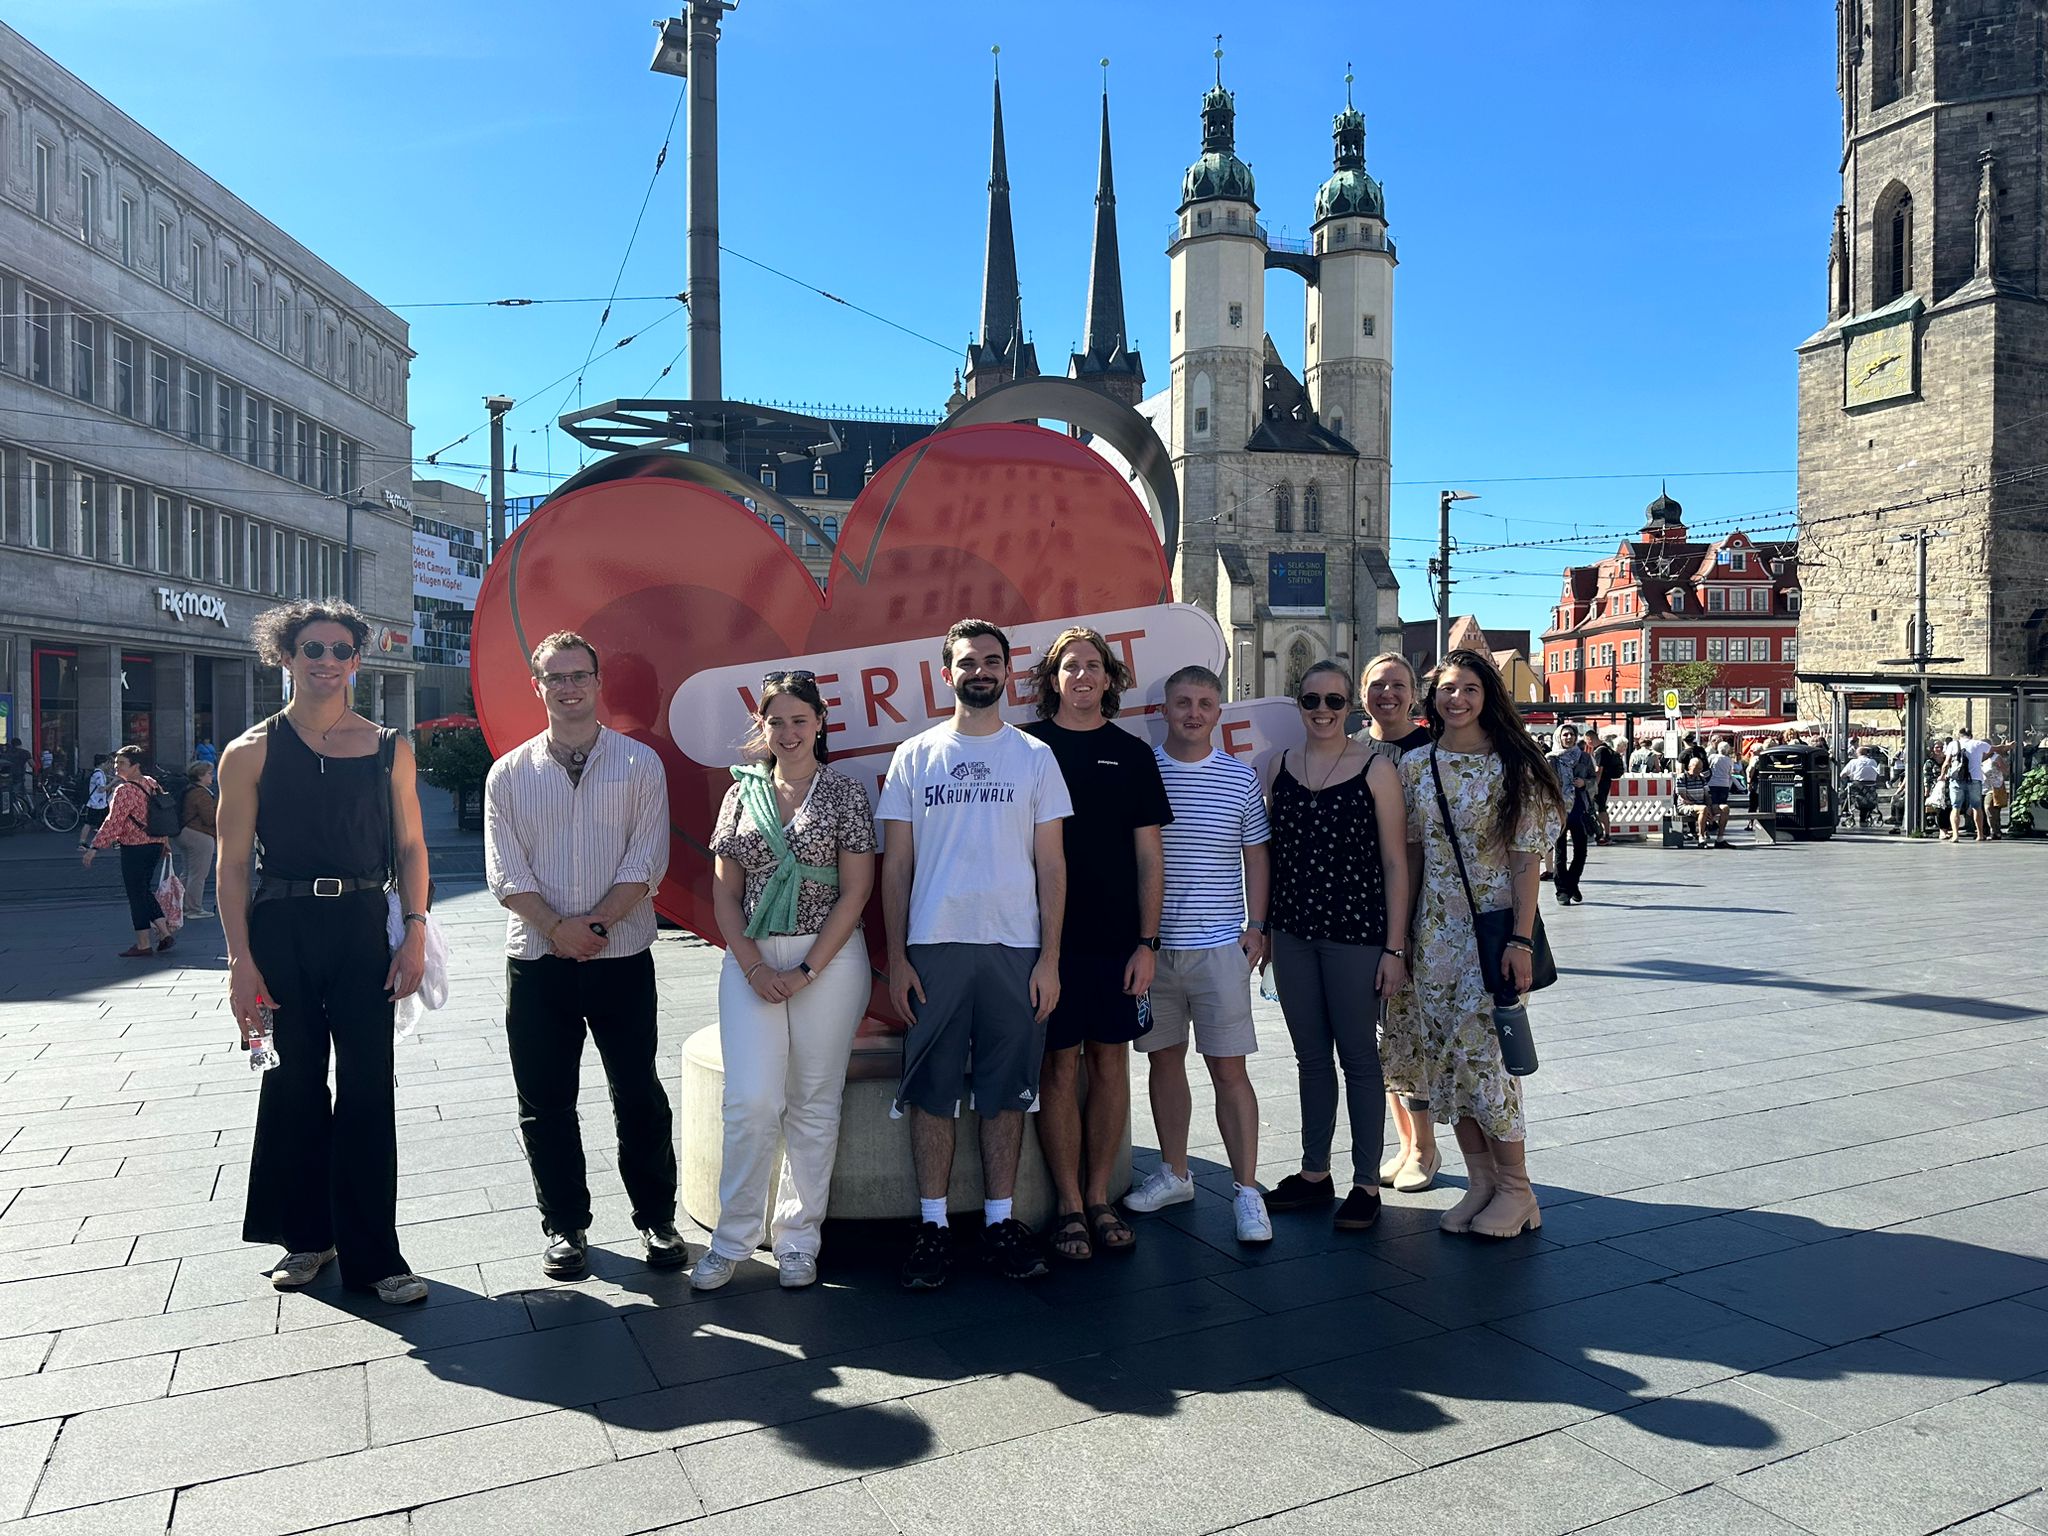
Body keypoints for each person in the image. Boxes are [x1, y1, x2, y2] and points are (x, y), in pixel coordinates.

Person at [216, 600, 432, 1304]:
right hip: (280, 929)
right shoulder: (249, 751)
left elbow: (410, 846)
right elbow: (230, 865)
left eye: (341, 650)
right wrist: (238, 960)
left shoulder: (388, 746)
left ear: (357, 661)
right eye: (313, 649)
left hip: (364, 925)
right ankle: (307, 1238)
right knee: (292, 1082)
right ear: (285, 656)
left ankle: (378, 1256)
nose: (327, 661)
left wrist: (417, 931)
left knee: (369, 1087)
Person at [484, 631, 684, 1281]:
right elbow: (504, 872)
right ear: (536, 686)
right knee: (544, 1101)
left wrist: (591, 927)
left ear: (598, 684)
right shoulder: (508, 775)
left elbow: (648, 861)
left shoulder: (638, 765)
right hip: (537, 962)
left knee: (638, 1093)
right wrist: (555, 929)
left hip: (622, 956)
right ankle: (564, 1226)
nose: (569, 687)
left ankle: (657, 1218)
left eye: (580, 675)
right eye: (556, 677)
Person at [880, 619, 1072, 1290]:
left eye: (992, 660)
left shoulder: (1035, 757)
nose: (980, 671)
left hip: (1016, 948)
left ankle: (998, 1222)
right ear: (947, 673)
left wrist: (1049, 959)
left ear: (1008, 670)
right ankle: (932, 1226)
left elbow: (1052, 866)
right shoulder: (915, 756)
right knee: (932, 1093)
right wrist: (899, 959)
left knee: (1007, 1093)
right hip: (934, 946)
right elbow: (896, 866)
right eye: (968, 661)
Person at [698, 670, 877, 1291]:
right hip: (751, 957)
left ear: (821, 723)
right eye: (777, 721)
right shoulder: (740, 794)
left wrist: (805, 970)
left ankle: (799, 1239)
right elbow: (724, 894)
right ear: (763, 728)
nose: (789, 731)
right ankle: (732, 1239)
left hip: (828, 960)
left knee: (814, 1101)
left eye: (800, 719)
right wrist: (752, 963)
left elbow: (856, 892)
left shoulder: (845, 793)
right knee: (750, 1101)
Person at [1382, 649, 1564, 1240]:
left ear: (1489, 696)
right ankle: (1481, 1183)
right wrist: (1400, 938)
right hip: (1433, 933)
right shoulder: (1418, 765)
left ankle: (1518, 1190)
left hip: (1492, 932)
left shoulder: (1513, 765)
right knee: (1444, 1062)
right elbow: (1409, 853)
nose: (1454, 699)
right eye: (1445, 689)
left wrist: (1520, 938)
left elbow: (1525, 860)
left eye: (1467, 689)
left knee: (1489, 1061)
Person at [1021, 627, 1171, 1262]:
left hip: (1117, 945)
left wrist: (1148, 943)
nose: (1082, 676)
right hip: (1041, 942)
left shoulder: (1132, 754)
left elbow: (1149, 858)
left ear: (1110, 679)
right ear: (1052, 679)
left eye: (1093, 666)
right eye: (1069, 666)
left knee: (1111, 1063)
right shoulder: (1026, 750)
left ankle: (1099, 1196)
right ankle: (1068, 1207)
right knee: (1057, 1066)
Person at [1123, 665, 1273, 1243]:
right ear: (1164, 708)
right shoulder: (1143, 774)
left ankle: (1246, 1191)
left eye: (1205, 703)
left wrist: (1255, 926)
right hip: (1153, 950)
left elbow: (1256, 856)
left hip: (1218, 949)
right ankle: (1175, 1173)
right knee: (1164, 1062)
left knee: (1229, 1070)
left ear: (1219, 712)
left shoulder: (1239, 779)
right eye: (1182, 701)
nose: (1193, 712)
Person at [1259, 661, 1410, 1231]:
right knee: (1310, 1059)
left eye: (1334, 702)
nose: (1322, 711)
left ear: (1351, 707)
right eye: (1311, 701)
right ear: (1297, 704)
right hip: (1294, 933)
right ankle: (1315, 1172)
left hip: (1356, 935)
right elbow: (1266, 856)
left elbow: (1396, 863)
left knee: (1360, 1059)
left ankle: (1366, 1182)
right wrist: (1268, 928)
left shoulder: (1376, 769)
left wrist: (1394, 950)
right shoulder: (1277, 766)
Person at [1356, 652, 1438, 1193]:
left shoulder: (1430, 750)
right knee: (1380, 1033)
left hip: (1420, 902)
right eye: (1377, 684)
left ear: (1413, 693)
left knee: (1411, 1027)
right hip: (1360, 904)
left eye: (1398, 685)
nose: (1387, 693)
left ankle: (1426, 1148)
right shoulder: (1353, 749)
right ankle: (1403, 1142)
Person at [82, 745, 174, 957]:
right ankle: (164, 932)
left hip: (135, 847)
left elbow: (113, 822)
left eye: (122, 763)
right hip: (156, 843)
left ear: (136, 766)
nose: (116, 767)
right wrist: (166, 842)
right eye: (116, 763)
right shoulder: (152, 783)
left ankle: (143, 943)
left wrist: (94, 847)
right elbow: (162, 813)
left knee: (136, 894)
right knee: (143, 889)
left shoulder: (124, 791)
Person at [1545, 725, 1594, 903]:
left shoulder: (1584, 757)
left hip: (1579, 808)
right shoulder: (1551, 759)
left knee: (1581, 851)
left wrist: (1584, 783)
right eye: (1565, 734)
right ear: (1559, 737)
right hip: (1558, 810)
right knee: (1560, 852)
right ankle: (1562, 891)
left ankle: (1572, 882)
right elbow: (1544, 783)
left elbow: (1593, 779)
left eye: (1571, 734)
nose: (1568, 737)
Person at [176, 760, 218, 918]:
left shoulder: (189, 790)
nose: (211, 776)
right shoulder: (201, 793)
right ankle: (194, 908)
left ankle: (181, 906)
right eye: (209, 773)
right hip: (199, 835)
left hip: (185, 832)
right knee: (198, 874)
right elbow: (209, 818)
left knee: (188, 873)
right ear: (201, 776)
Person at [1944, 725, 1992, 842]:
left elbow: (1946, 762)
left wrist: (1942, 775)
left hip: (1956, 779)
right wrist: (1981, 758)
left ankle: (1955, 835)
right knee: (1977, 807)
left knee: (1956, 807)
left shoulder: (1953, 744)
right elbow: (1993, 750)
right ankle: (1980, 834)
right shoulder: (1978, 744)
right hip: (1975, 779)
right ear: (1971, 735)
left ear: (1959, 736)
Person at [1591, 734, 1625, 844]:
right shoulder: (1607, 749)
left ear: (1590, 739)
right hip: (1606, 782)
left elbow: (1599, 770)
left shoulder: (1600, 751)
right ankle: (1605, 834)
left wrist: (1595, 785)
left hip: (1601, 784)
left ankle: (1604, 834)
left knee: (1600, 808)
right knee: (1601, 808)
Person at [1705, 737, 1739, 846]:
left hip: (1712, 784)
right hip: (1724, 785)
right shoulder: (1729, 760)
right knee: (1721, 806)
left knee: (1711, 805)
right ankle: (1717, 829)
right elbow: (1730, 772)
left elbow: (1708, 768)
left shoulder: (1712, 757)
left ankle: (1709, 824)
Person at [76, 753, 111, 850]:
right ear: (103, 764)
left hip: (100, 803)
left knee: (104, 822)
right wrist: (113, 783)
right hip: (95, 804)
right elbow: (101, 789)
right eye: (108, 763)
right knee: (89, 823)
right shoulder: (98, 774)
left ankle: (104, 840)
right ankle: (82, 843)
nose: (109, 766)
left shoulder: (98, 773)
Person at [1841, 748, 1883, 829]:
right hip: (1871, 786)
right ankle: (1864, 818)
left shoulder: (1853, 762)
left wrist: (1849, 775)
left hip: (1858, 785)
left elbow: (1842, 774)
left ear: (1857, 753)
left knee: (1846, 794)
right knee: (1866, 796)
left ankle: (1845, 811)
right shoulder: (1873, 761)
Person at [1675, 754, 1711, 844]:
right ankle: (1701, 836)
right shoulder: (1682, 778)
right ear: (1689, 767)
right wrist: (1701, 807)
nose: (1699, 770)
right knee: (1703, 809)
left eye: (1701, 768)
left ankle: (1720, 838)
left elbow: (1707, 795)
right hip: (1686, 805)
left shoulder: (1702, 778)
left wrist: (1709, 807)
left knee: (1724, 808)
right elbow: (1683, 797)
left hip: (1701, 804)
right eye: (1697, 768)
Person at [1983, 745, 2009, 839]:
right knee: (1989, 811)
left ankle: (1995, 831)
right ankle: (1990, 831)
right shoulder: (1979, 757)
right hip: (1982, 786)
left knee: (1989, 808)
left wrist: (1999, 768)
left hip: (1995, 787)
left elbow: (2005, 770)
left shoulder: (1996, 757)